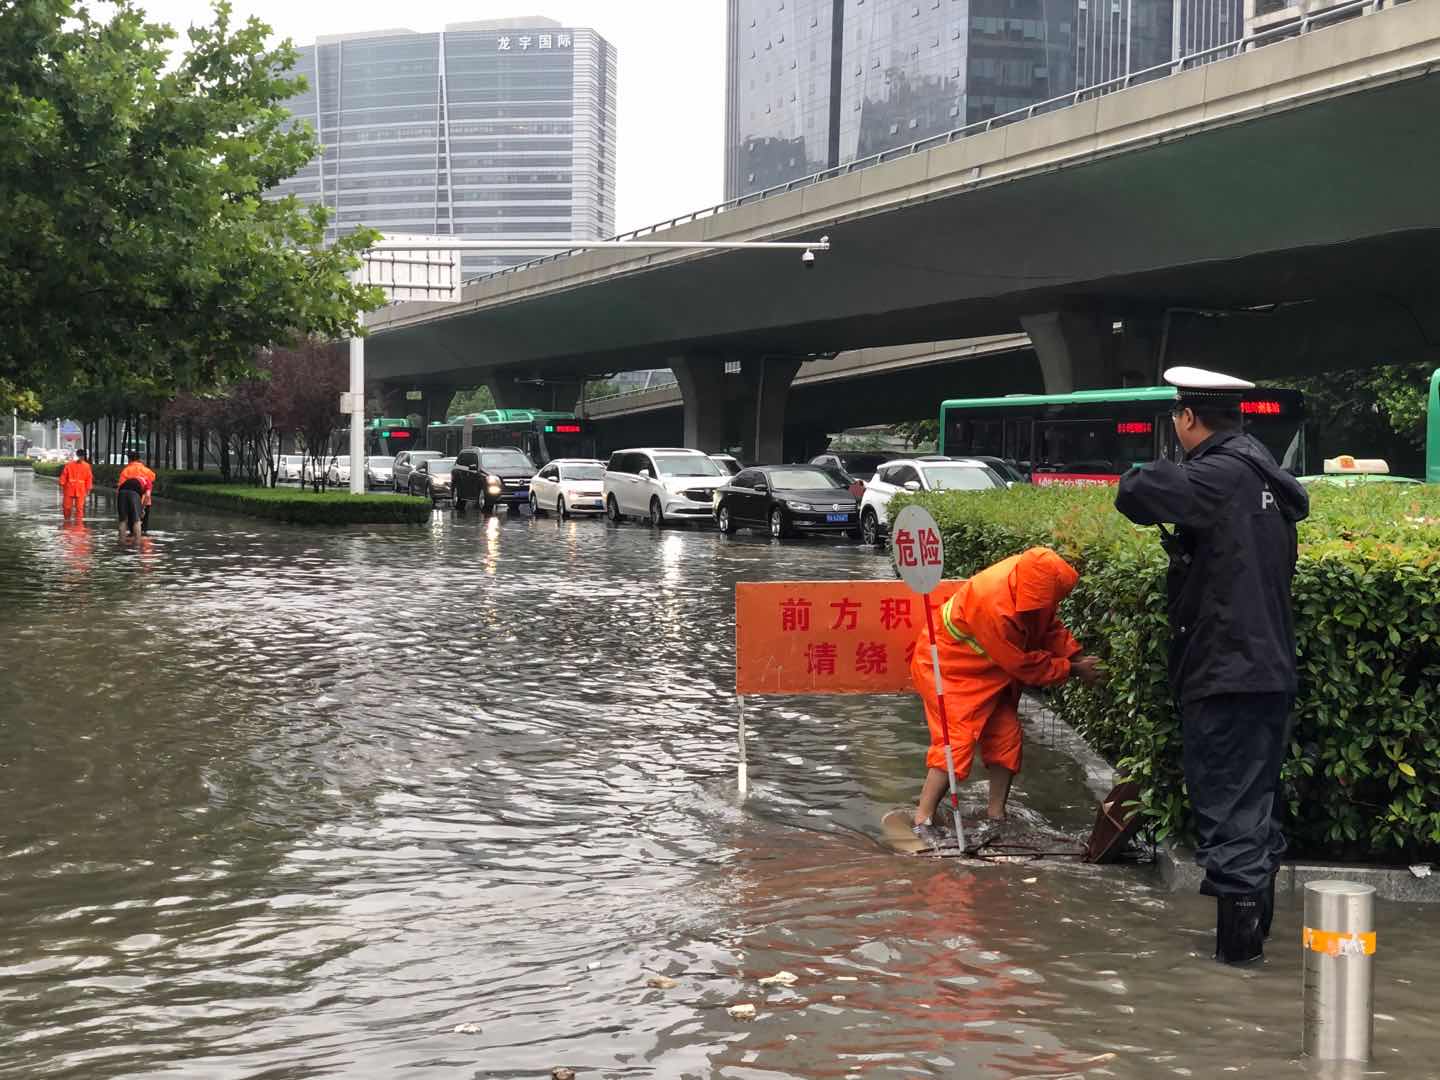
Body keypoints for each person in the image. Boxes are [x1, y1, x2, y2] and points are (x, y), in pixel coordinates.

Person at [1114, 366, 1309, 966]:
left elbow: (1134, 491)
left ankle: (1238, 964)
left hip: (1225, 671)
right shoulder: (1266, 476)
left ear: (1190, 418)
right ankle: (1255, 951)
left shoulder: (1218, 475)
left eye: (1177, 417)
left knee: (1228, 815)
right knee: (1255, 810)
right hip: (1268, 671)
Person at [909, 546, 1106, 848]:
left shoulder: (1035, 581)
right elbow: (1023, 665)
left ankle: (996, 816)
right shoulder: (994, 605)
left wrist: (1074, 653)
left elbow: (1047, 625)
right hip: (949, 669)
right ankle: (922, 820)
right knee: (956, 741)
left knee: (1006, 737)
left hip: (990, 671)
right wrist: (1075, 670)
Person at [116, 451, 156, 539]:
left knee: (125, 522)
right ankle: (140, 545)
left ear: (129, 459)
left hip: (124, 498)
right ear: (139, 459)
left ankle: (122, 542)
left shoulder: (126, 471)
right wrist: (142, 508)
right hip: (143, 500)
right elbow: (149, 489)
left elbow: (120, 487)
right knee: (141, 526)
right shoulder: (147, 471)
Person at [58, 448, 94, 520]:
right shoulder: (69, 465)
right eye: (80, 456)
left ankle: (78, 524)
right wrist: (61, 484)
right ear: (77, 455)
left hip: (81, 489)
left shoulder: (87, 466)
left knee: (79, 508)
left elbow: (89, 478)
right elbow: (64, 475)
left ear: (84, 457)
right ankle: (67, 520)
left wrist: (88, 489)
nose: (81, 458)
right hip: (69, 488)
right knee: (67, 507)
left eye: (82, 456)